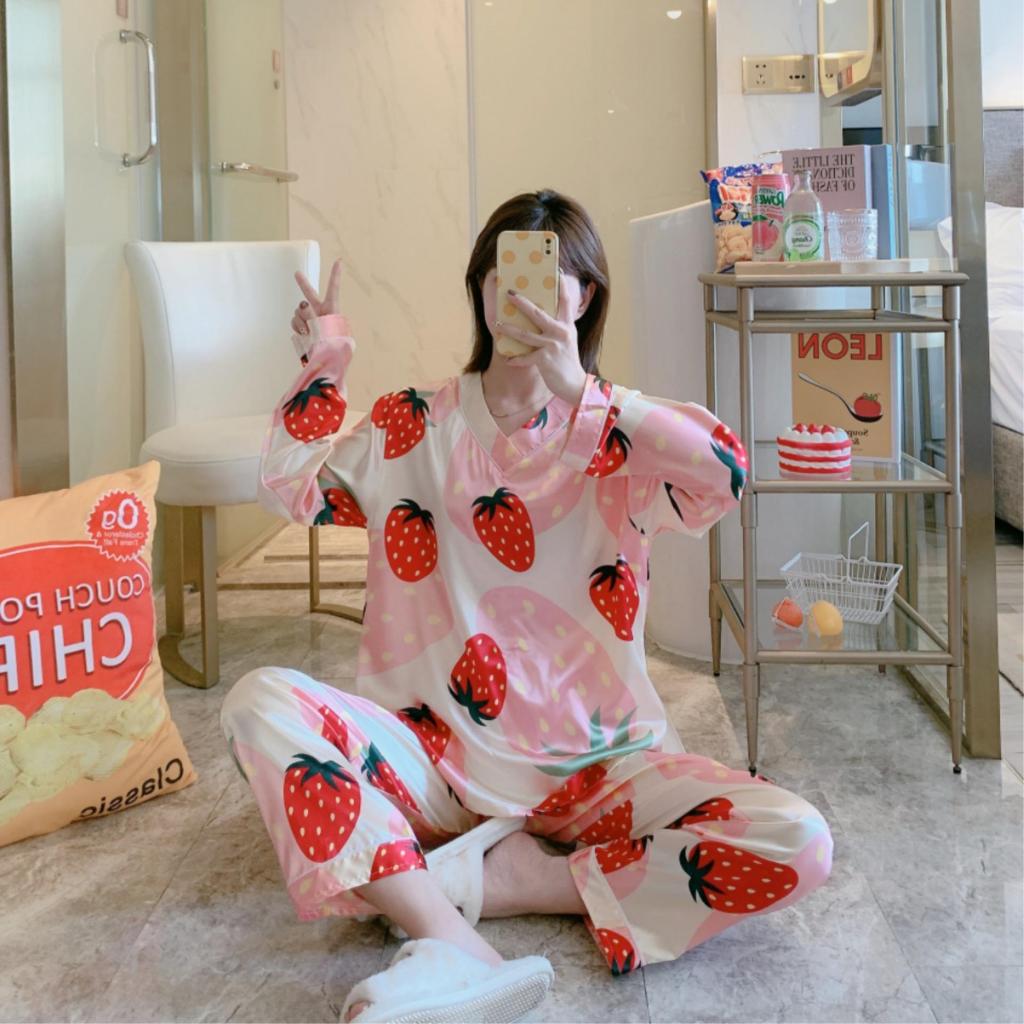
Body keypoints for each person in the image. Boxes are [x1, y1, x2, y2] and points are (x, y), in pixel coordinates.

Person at [220, 189, 834, 1023]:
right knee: (258, 702)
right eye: (502, 274)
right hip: (435, 763)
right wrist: (325, 366)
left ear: (585, 297)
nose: (522, 294)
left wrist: (583, 393)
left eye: (550, 275)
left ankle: (495, 882)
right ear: (478, 289)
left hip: (602, 771)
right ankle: (454, 939)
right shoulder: (413, 423)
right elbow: (289, 490)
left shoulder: (619, 434)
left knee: (799, 839)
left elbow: (725, 472)